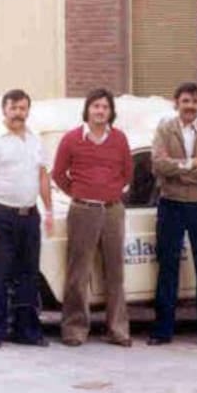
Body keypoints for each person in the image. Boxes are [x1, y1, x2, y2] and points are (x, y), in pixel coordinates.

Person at [0, 88, 54, 349]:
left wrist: (49, 211)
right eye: (14, 108)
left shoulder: (35, 140)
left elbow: (43, 176)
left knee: (29, 274)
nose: (19, 113)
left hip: (30, 215)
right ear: (4, 110)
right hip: (1, 215)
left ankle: (26, 330)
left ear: (28, 111)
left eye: (23, 108)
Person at [51, 88, 133, 347]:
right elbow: (58, 174)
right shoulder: (72, 139)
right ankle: (74, 329)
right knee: (78, 272)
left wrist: (110, 191)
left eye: (105, 107)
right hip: (83, 210)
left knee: (115, 272)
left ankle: (118, 329)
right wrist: (79, 192)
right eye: (96, 106)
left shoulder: (119, 139)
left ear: (111, 112)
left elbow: (128, 173)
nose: (100, 111)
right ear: (87, 110)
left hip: (112, 210)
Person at [148, 81, 197, 348]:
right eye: (185, 101)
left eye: (194, 102)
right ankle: (162, 331)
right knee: (167, 266)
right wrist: (192, 164)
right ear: (176, 103)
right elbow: (158, 164)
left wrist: (177, 170)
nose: (189, 106)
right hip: (171, 205)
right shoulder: (164, 129)